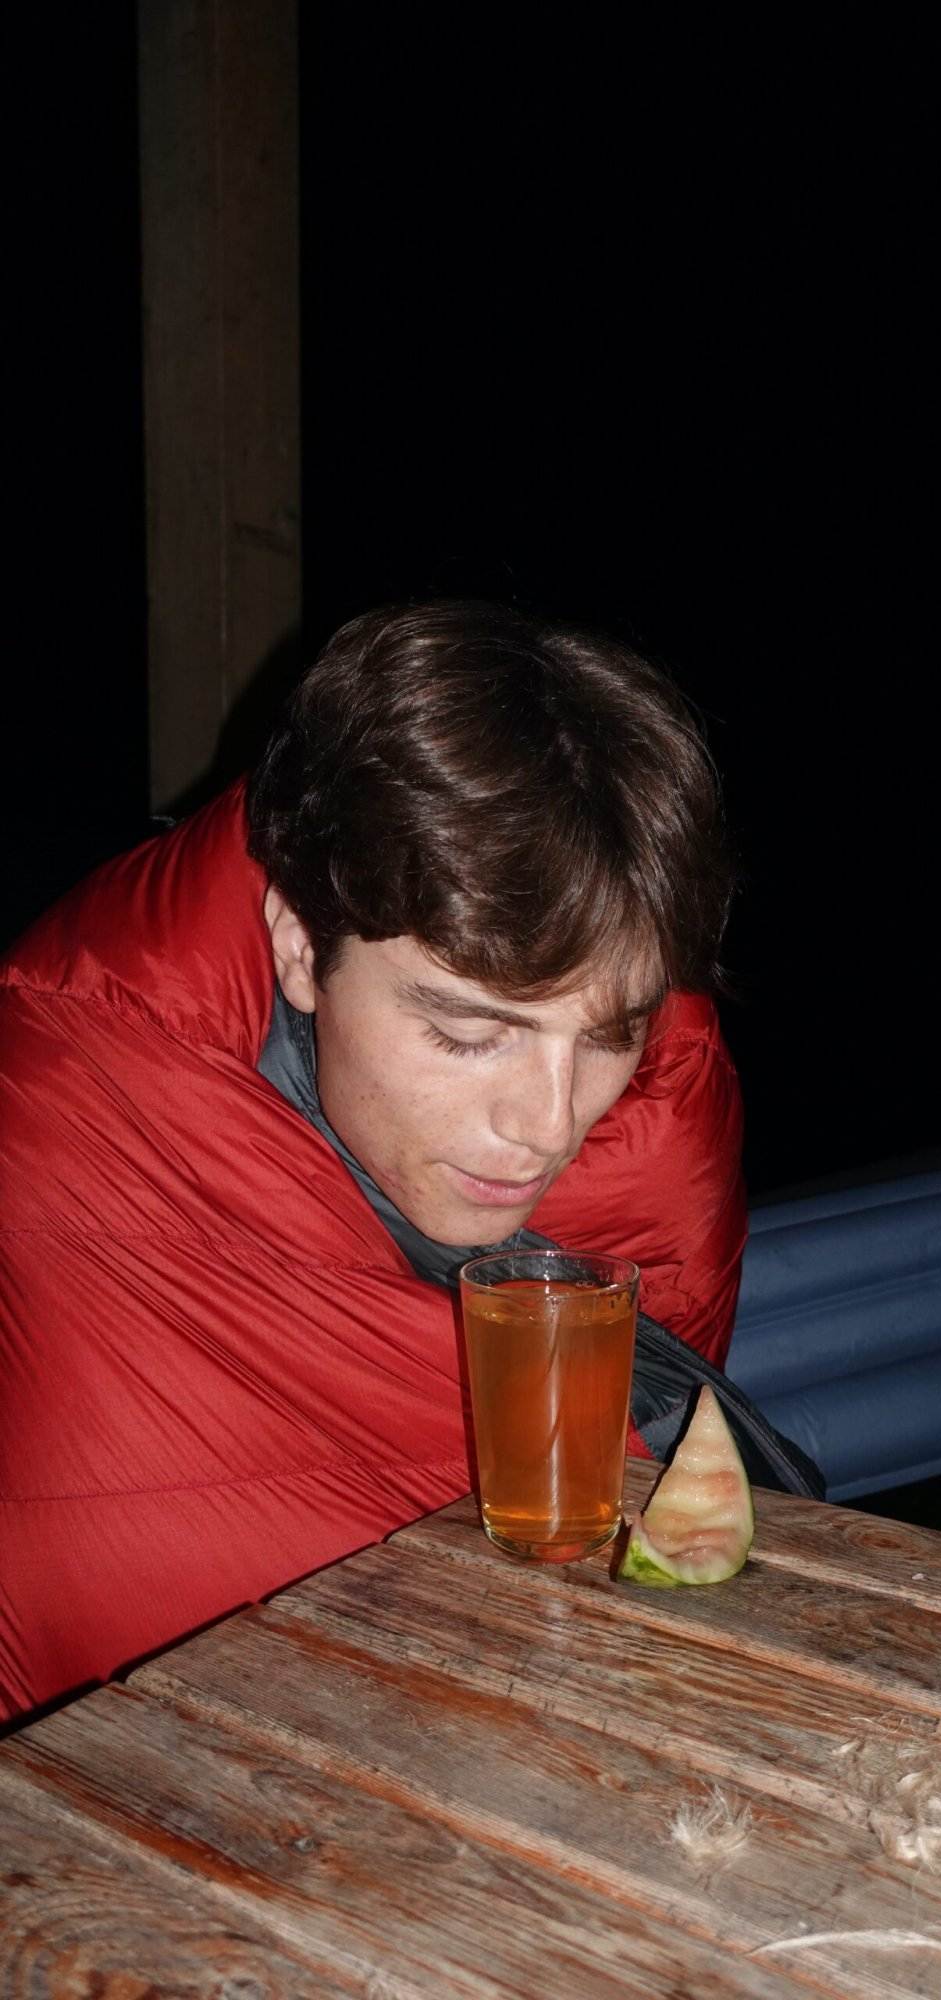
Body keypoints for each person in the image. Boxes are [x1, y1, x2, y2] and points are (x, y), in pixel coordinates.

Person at [0, 601, 749, 1723]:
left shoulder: (663, 1092)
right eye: (466, 1030)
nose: (548, 1124)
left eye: (608, 1035)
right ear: (301, 944)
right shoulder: (77, 1101)